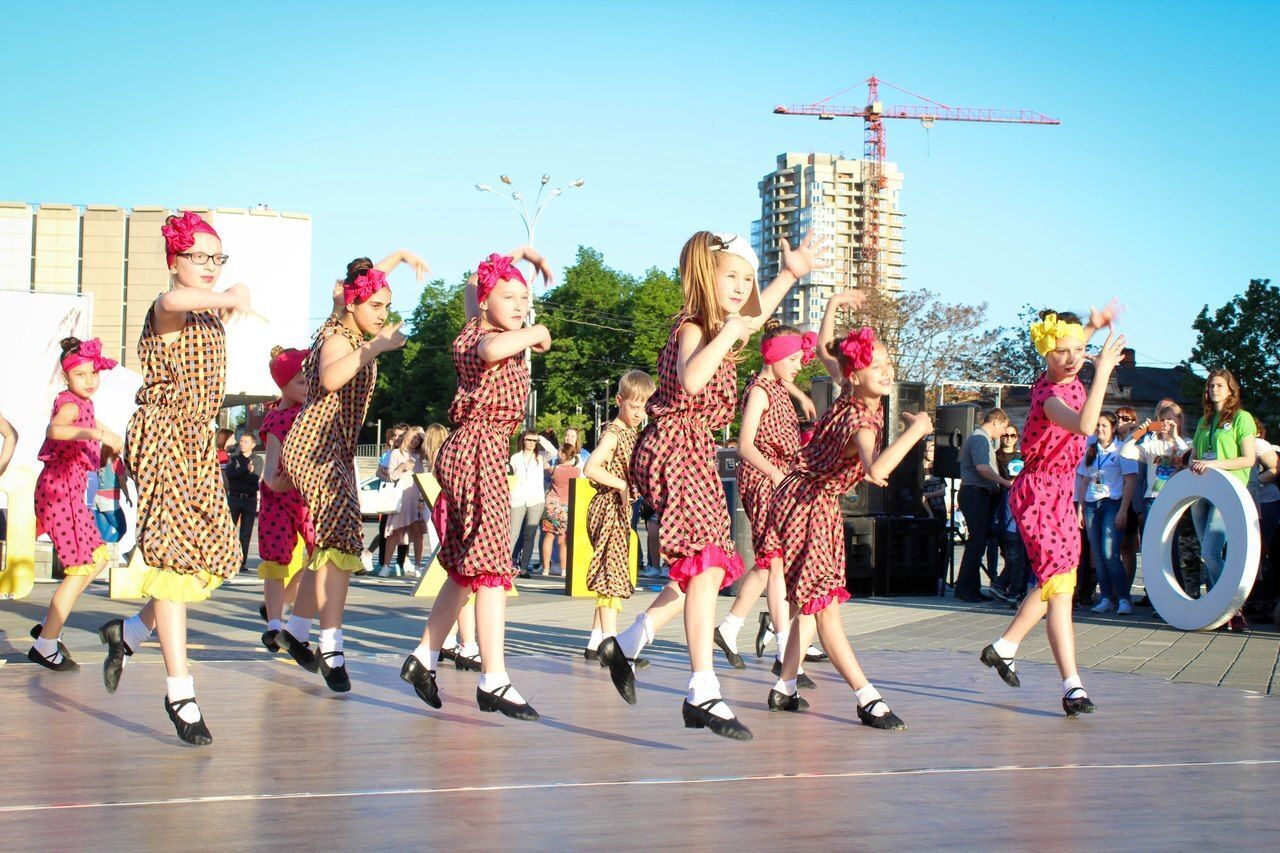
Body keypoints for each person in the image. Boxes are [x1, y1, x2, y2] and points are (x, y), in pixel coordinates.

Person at [598, 228, 827, 741]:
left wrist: (790, 274)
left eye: (748, 279)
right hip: (675, 445)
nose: (743, 286)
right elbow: (693, 380)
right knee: (703, 566)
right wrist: (728, 334)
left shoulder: (724, 325)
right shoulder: (694, 327)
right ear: (706, 275)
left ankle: (630, 642)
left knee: (706, 568)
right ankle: (702, 689)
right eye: (733, 276)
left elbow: (756, 316)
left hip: (695, 448)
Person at [97, 211, 252, 745]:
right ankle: (180, 691)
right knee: (169, 557)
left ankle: (131, 631)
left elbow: (206, 305)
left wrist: (232, 296)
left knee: (214, 556)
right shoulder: (169, 308)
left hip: (196, 440)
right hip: (163, 434)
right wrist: (233, 293)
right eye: (199, 257)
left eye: (217, 257)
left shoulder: (210, 314)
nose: (210, 267)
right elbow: (171, 302)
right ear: (173, 260)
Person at [399, 246, 554, 721]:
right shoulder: (481, 337)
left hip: (477, 450)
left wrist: (519, 253)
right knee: (490, 567)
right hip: (479, 449)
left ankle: (423, 657)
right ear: (486, 302)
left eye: (525, 300)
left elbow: (475, 281)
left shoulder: (481, 319)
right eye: (509, 297)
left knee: (466, 568)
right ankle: (494, 678)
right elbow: (490, 350)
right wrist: (536, 331)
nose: (520, 306)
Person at [765, 324, 932, 726]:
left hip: (804, 499)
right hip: (808, 504)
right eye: (877, 367)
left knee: (810, 603)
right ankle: (867, 696)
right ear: (857, 375)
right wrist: (917, 431)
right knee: (825, 610)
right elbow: (877, 470)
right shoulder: (862, 420)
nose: (887, 372)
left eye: (888, 364)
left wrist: (837, 303)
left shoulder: (848, 391)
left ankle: (784, 686)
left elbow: (826, 348)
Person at [277, 250, 428, 693]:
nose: (383, 314)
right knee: (343, 541)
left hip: (331, 448)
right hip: (318, 448)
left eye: (387, 305)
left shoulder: (345, 324)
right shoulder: (339, 339)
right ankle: (333, 647)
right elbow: (330, 378)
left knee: (329, 544)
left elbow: (362, 283)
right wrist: (376, 346)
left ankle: (299, 631)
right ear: (351, 305)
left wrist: (397, 257)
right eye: (375, 306)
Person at [980, 305, 1125, 716]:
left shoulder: (1070, 366)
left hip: (1060, 491)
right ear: (1045, 353)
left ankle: (1068, 684)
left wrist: (1093, 325)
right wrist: (1103, 373)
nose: (1074, 357)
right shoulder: (1050, 396)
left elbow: (1076, 345)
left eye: (1080, 349)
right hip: (1040, 489)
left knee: (1060, 589)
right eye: (1063, 351)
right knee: (1058, 580)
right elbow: (1084, 425)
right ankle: (1009, 647)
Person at [713, 318, 816, 672]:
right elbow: (744, 444)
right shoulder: (760, 390)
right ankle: (786, 649)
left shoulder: (780, 389)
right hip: (764, 479)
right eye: (793, 360)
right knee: (775, 562)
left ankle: (729, 628)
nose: (800, 365)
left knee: (771, 561)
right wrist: (774, 473)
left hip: (781, 479)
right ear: (775, 358)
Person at [27, 337, 124, 671]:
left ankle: (51, 626)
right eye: (81, 374)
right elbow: (55, 429)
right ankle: (46, 643)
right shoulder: (69, 403)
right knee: (81, 567)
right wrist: (97, 437)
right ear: (67, 377)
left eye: (93, 373)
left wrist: (114, 438)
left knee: (97, 558)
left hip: (70, 491)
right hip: (60, 491)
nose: (90, 380)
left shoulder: (84, 405)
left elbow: (93, 425)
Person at [581, 370, 656, 660]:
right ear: (619, 401)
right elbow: (591, 468)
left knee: (609, 568)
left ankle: (595, 640)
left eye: (643, 408)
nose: (639, 413)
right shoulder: (613, 434)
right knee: (611, 573)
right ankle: (612, 646)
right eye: (633, 407)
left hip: (620, 509)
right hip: (608, 507)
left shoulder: (631, 432)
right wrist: (622, 484)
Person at [257, 346, 314, 653]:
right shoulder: (277, 419)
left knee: (321, 554)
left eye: (309, 381)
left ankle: (284, 606)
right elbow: (270, 463)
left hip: (307, 494)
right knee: (275, 559)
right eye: (301, 382)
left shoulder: (312, 413)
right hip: (279, 496)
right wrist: (271, 483)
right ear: (283, 384)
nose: (307, 387)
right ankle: (274, 624)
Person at [1190, 369, 1256, 629]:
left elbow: (1249, 459)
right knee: (1205, 550)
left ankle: (1231, 608)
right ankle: (1218, 611)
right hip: (1201, 492)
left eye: (1219, 385)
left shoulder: (1242, 418)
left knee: (1211, 551)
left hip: (1228, 490)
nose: (1213, 390)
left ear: (1230, 389)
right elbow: (1195, 455)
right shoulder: (1205, 420)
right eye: (1210, 386)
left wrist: (1215, 464)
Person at [1075, 411, 1139, 614]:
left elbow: (1130, 481)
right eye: (1097, 426)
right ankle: (1105, 598)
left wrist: (1123, 510)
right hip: (1093, 505)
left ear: (1113, 428)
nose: (1100, 429)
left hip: (1112, 503)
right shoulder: (1091, 450)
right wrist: (1080, 508)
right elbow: (1084, 480)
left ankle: (1123, 598)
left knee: (1110, 553)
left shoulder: (1122, 450)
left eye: (1104, 426)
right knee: (1098, 555)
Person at [955, 408, 1013, 602]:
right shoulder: (980, 438)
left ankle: (970, 587)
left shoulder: (979, 438)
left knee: (979, 541)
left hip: (977, 493)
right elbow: (983, 468)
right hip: (975, 493)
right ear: (996, 422)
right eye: (1004, 427)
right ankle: (965, 588)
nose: (1004, 433)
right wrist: (1004, 483)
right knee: (977, 542)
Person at [381, 426, 429, 578]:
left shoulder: (420, 455)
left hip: (417, 496)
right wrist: (402, 467)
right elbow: (391, 477)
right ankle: (386, 566)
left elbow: (430, 448)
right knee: (394, 532)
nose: (415, 441)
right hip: (400, 497)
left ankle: (418, 566)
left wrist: (422, 434)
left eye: (418, 439)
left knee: (418, 532)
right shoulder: (396, 453)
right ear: (407, 437)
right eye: (413, 437)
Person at [366, 423, 408, 572]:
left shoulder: (409, 453)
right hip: (390, 494)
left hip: (406, 494)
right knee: (385, 529)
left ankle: (401, 563)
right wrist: (389, 477)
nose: (397, 438)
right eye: (395, 435)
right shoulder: (389, 453)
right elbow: (379, 472)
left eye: (400, 436)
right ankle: (383, 562)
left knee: (404, 530)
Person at [509, 430, 546, 577]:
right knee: (513, 533)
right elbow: (510, 477)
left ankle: (524, 567)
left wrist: (541, 438)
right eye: (528, 440)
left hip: (536, 499)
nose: (531, 443)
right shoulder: (515, 458)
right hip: (518, 498)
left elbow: (553, 451)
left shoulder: (540, 458)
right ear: (523, 440)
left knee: (529, 534)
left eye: (534, 441)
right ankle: (507, 564)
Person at [540, 444, 580, 576]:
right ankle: (564, 569)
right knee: (563, 539)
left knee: (549, 536)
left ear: (563, 455)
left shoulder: (555, 469)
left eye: (559, 452)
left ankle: (546, 568)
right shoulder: (576, 471)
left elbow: (545, 465)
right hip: (567, 507)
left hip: (552, 506)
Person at [225, 433, 260, 571]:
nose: (241, 444)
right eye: (241, 441)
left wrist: (240, 474)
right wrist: (246, 470)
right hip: (234, 497)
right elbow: (230, 474)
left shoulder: (257, 460)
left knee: (246, 533)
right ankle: (228, 560)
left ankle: (242, 562)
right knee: (230, 530)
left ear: (252, 444)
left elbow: (254, 478)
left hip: (249, 499)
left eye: (245, 442)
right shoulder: (234, 457)